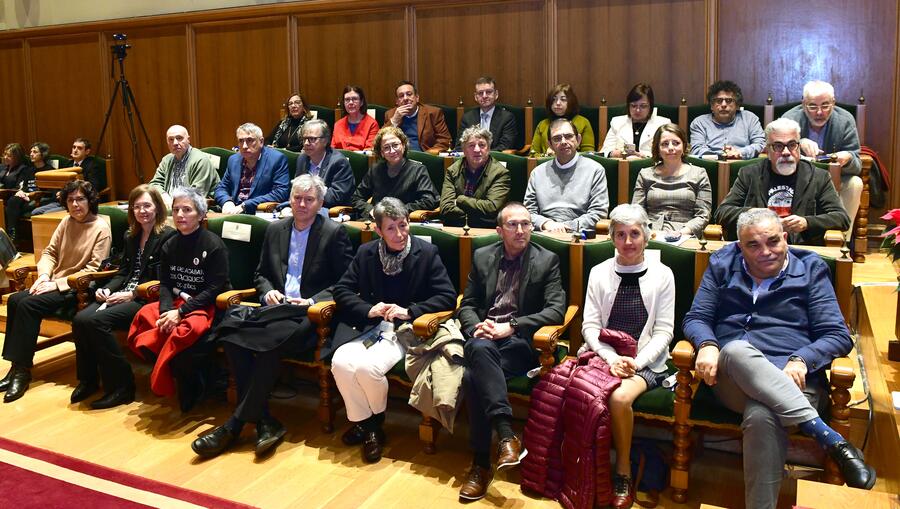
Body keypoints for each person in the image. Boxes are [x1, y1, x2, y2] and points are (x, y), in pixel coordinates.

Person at [683, 208, 876, 508]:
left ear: (785, 238)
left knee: (762, 415)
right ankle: (832, 441)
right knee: (734, 349)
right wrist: (707, 343)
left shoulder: (810, 268)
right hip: (732, 378)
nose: (765, 252)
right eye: (753, 245)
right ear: (739, 246)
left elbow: (837, 335)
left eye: (773, 242)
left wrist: (801, 359)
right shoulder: (722, 262)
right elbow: (697, 317)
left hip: (794, 381)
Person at [191, 175, 354, 459]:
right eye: (297, 198)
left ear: (320, 203)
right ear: (289, 199)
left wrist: (313, 300)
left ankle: (234, 426)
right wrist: (267, 292)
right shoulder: (276, 229)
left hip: (311, 315)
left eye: (309, 199)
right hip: (275, 309)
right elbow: (261, 273)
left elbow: (345, 283)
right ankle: (265, 420)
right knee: (231, 336)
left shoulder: (333, 232)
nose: (301, 204)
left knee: (267, 347)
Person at [326, 197, 455, 463]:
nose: (399, 234)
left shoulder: (426, 253)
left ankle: (372, 426)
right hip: (368, 325)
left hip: (404, 330)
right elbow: (342, 290)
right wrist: (368, 309)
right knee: (340, 362)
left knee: (366, 369)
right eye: (391, 228)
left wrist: (410, 311)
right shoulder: (366, 253)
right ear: (378, 231)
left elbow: (447, 296)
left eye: (403, 225)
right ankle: (368, 423)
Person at [457, 202, 566, 500]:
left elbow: (557, 310)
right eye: (513, 225)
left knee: (471, 377)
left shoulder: (547, 260)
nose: (521, 230)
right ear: (499, 230)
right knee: (478, 349)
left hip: (521, 344)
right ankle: (505, 438)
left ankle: (482, 463)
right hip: (485, 338)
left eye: (526, 224)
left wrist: (513, 326)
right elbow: (467, 304)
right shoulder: (482, 256)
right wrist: (476, 326)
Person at [580, 203, 675, 509]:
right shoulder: (598, 272)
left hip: (645, 360)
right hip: (604, 355)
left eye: (635, 233)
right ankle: (583, 468)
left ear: (647, 235)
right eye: (620, 234)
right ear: (612, 238)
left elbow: (664, 331)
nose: (628, 241)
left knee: (620, 399)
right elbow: (590, 326)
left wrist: (636, 362)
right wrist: (610, 359)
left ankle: (622, 470)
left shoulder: (663, 274)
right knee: (573, 390)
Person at [0, 180, 111, 403]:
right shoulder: (66, 222)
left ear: (90, 201)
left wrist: (57, 284)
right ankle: (16, 367)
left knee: (28, 304)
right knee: (15, 300)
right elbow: (50, 253)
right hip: (54, 282)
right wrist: (43, 276)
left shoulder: (101, 227)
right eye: (70, 200)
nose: (75, 204)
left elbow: (93, 270)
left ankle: (22, 372)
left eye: (80, 199)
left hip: (78, 288)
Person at [70, 185, 175, 409]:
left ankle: (122, 385)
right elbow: (124, 272)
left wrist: (131, 294)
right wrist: (107, 289)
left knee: (96, 321)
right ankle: (88, 380)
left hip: (147, 298)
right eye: (137, 207)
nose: (142, 211)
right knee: (80, 319)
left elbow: (165, 279)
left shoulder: (167, 235)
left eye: (147, 205)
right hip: (124, 292)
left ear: (157, 207)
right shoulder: (131, 235)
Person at [127, 187, 229, 412]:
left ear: (201, 215)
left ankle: (193, 388)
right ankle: (175, 379)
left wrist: (180, 313)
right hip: (175, 305)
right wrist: (166, 311)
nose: (180, 215)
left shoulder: (213, 245)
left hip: (205, 306)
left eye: (187, 210)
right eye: (176, 210)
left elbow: (214, 289)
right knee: (144, 319)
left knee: (184, 336)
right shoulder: (170, 244)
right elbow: (165, 283)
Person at [715, 118, 850, 245]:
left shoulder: (819, 177)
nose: (786, 152)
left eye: (791, 145)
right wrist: (754, 215)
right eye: (778, 146)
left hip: (801, 250)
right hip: (757, 248)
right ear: (768, 150)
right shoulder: (749, 174)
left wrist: (807, 222)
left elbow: (841, 218)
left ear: (798, 147)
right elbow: (722, 213)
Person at [781, 80, 864, 228]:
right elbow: (776, 157)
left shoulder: (844, 120)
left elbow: (857, 166)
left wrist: (849, 158)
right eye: (813, 106)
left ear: (833, 103)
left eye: (825, 105)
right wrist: (797, 143)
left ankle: (841, 237)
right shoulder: (789, 119)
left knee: (855, 183)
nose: (819, 112)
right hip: (796, 180)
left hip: (833, 181)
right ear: (803, 103)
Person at [524, 118, 609, 233]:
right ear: (550, 144)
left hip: (579, 234)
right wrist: (546, 224)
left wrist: (565, 227)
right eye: (557, 138)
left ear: (578, 140)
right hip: (544, 233)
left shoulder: (595, 170)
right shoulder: (537, 173)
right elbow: (528, 212)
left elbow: (598, 212)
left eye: (569, 136)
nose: (563, 141)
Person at [632, 123, 712, 237]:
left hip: (686, 235)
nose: (670, 148)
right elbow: (637, 211)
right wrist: (650, 232)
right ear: (657, 149)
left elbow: (703, 214)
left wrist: (682, 232)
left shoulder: (699, 174)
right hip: (650, 233)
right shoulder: (645, 174)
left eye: (676, 143)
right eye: (665, 144)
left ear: (684, 146)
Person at [351, 126, 438, 218]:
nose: (392, 151)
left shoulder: (418, 170)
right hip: (377, 221)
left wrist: (396, 212)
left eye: (395, 145)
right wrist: (370, 210)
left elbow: (428, 200)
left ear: (404, 146)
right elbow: (356, 198)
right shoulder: (375, 169)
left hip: (404, 220)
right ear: (381, 153)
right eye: (386, 147)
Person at [440, 125, 510, 228]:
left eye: (482, 145)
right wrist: (478, 213)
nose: (477, 150)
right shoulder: (452, 171)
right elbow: (446, 208)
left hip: (487, 230)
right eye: (471, 145)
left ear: (489, 148)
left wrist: (459, 200)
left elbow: (492, 209)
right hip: (455, 227)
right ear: (464, 149)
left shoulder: (500, 173)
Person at [214, 122, 290, 215]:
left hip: (258, 212)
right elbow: (221, 188)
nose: (244, 146)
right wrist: (226, 202)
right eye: (241, 141)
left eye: (250, 140)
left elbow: (280, 192)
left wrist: (245, 205)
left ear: (261, 141)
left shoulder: (276, 159)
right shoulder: (233, 160)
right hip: (233, 211)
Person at [287, 119, 354, 210]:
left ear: (325, 141)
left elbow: (336, 196)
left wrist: (310, 197)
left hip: (329, 211)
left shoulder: (339, 162)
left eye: (312, 139)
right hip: (303, 208)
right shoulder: (302, 159)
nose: (306, 143)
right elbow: (296, 188)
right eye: (304, 139)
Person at [689, 80, 766, 160]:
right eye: (718, 101)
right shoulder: (699, 122)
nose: (723, 105)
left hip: (743, 165)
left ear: (737, 105)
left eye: (729, 101)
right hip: (710, 165)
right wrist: (722, 157)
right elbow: (697, 149)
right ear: (711, 106)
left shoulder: (750, 118)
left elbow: (760, 144)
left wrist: (740, 152)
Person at [148, 125, 220, 206]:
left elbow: (196, 194)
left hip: (198, 209)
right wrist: (164, 196)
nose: (175, 143)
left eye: (179, 138)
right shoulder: (166, 160)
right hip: (169, 205)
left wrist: (173, 203)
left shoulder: (200, 160)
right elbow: (154, 184)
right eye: (171, 139)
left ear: (188, 140)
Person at [32, 138, 105, 216]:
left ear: (87, 151)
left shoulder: (92, 166)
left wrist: (66, 193)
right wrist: (60, 193)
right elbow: (61, 183)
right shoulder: (68, 164)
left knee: (47, 214)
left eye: (79, 148)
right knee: (35, 212)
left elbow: (93, 187)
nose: (75, 150)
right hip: (62, 200)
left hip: (78, 201)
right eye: (74, 147)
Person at [600, 83, 671, 159]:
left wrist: (643, 156)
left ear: (650, 107)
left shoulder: (663, 124)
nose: (637, 110)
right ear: (628, 106)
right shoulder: (617, 122)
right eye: (633, 106)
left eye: (643, 106)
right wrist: (612, 154)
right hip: (621, 166)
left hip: (651, 166)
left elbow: (667, 152)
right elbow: (604, 151)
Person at [385, 81, 452, 154]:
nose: (405, 98)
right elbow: (382, 141)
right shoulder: (390, 114)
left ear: (417, 98)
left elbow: (444, 141)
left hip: (426, 156)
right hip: (399, 157)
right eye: (401, 96)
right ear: (397, 101)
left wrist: (426, 155)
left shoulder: (433, 113)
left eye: (409, 94)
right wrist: (394, 121)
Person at [530, 84, 594, 156]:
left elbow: (589, 154)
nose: (557, 103)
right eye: (554, 99)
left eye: (563, 99)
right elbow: (533, 154)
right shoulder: (543, 124)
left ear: (571, 102)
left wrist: (565, 152)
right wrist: (546, 155)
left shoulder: (583, 122)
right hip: (547, 164)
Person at [457, 76, 518, 152]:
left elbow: (505, 146)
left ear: (496, 94)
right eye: (480, 93)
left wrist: (482, 155)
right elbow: (460, 145)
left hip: (496, 160)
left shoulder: (507, 118)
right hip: (472, 160)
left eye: (488, 92)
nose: (484, 96)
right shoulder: (467, 118)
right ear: (476, 97)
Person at [0, 143, 37, 237]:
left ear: (17, 157)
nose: (5, 157)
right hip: (3, 196)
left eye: (9, 155)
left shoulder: (23, 169)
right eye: (5, 154)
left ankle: (12, 234)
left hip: (17, 197)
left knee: (13, 201)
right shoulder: (3, 168)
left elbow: (20, 187)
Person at [331, 85, 379, 151]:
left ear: (361, 102)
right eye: (347, 100)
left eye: (354, 99)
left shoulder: (372, 124)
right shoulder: (338, 124)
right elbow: (332, 149)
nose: (350, 102)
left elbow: (369, 151)